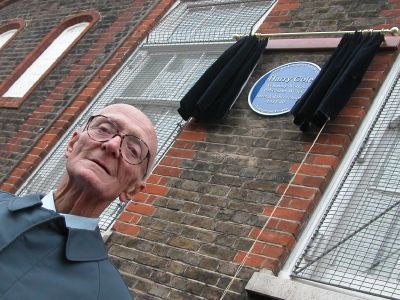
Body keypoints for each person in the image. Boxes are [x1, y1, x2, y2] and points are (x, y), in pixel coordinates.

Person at [0, 104, 158, 300]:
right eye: (104, 129)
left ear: (132, 189)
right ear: (72, 144)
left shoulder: (107, 294)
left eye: (132, 150)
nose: (111, 145)